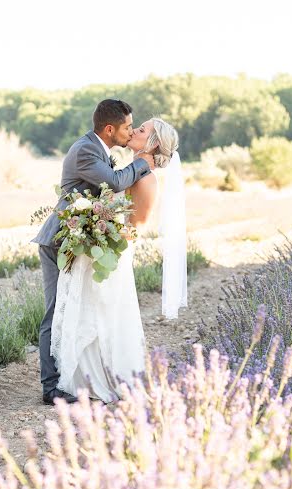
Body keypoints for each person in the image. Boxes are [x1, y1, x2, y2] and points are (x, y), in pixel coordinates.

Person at [50, 117, 187, 405]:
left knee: (104, 311)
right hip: (99, 248)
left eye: (142, 130)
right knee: (92, 308)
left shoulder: (146, 179)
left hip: (114, 253)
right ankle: (84, 376)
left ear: (152, 143)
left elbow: (135, 226)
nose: (134, 131)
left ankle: (104, 378)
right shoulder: (128, 172)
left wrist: (101, 232)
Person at [32, 99, 155, 405]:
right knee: (56, 310)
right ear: (110, 128)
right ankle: (51, 388)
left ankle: (72, 377)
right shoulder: (86, 149)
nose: (130, 132)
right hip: (59, 242)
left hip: (77, 242)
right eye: (128, 126)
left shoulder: (100, 150)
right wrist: (143, 164)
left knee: (73, 310)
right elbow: (113, 183)